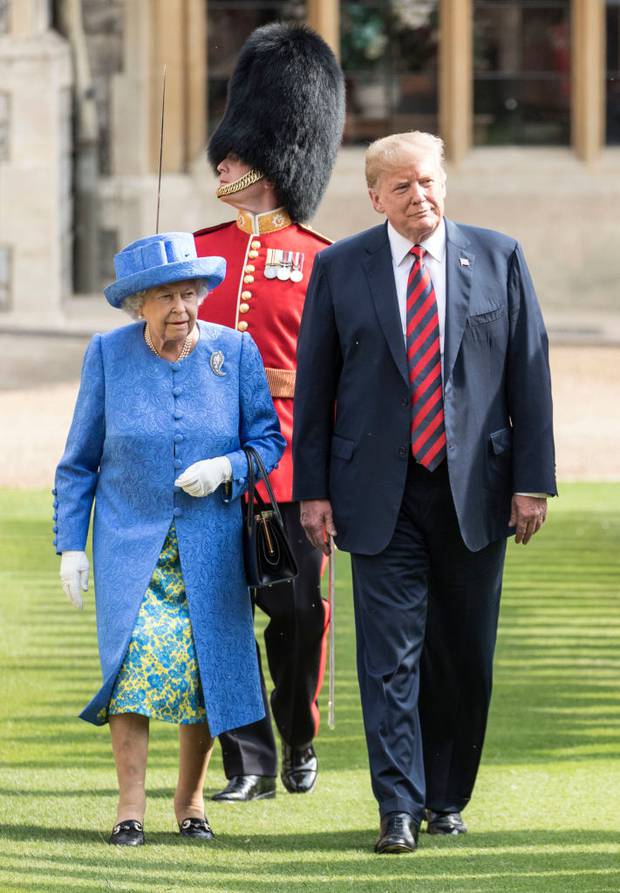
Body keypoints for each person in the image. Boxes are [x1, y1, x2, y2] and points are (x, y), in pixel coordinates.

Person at [293, 131, 556, 853]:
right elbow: (314, 390)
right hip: (378, 494)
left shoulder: (499, 257)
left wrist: (533, 481)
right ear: (375, 197)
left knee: (464, 654)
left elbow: (529, 376)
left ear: (446, 183)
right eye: (403, 187)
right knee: (391, 657)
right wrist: (309, 491)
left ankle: (447, 796)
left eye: (429, 182)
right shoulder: (341, 268)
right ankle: (398, 807)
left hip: (477, 489)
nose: (421, 198)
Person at [53, 231, 285, 845]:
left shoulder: (235, 352)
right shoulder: (108, 353)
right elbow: (78, 462)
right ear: (139, 305)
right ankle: (131, 808)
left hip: (210, 547)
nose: (181, 307)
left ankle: (191, 803)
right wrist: (71, 545)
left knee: (202, 673)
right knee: (132, 670)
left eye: (190, 293)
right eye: (166, 297)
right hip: (131, 545)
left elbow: (267, 443)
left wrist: (226, 468)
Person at [194, 23, 345, 801]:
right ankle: (246, 761)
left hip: (288, 466)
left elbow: (340, 383)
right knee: (221, 619)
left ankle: (299, 733)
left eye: (237, 150)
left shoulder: (325, 259)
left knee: (297, 613)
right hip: (210, 465)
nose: (223, 160)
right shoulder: (195, 251)